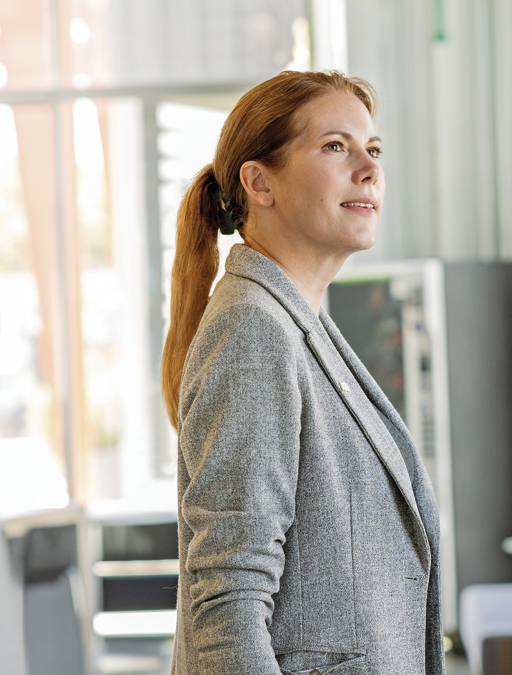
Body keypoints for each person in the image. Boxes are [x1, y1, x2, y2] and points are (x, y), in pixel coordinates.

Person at [162, 70, 444, 675]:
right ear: (259, 182)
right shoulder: (253, 331)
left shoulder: (299, 325)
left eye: (373, 150)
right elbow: (228, 603)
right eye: (335, 147)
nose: (368, 170)